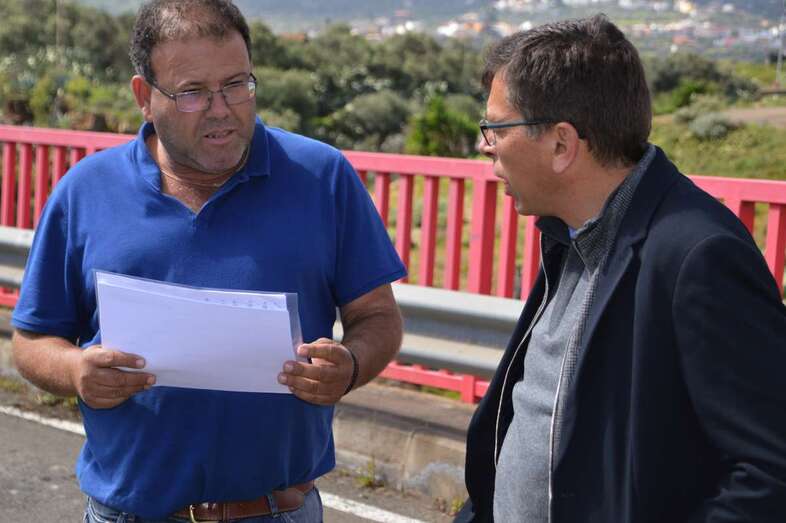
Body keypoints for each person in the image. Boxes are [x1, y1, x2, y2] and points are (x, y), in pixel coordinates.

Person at [10, 1, 405, 521]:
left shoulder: (322, 176)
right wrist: (75, 370)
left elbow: (378, 317)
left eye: (237, 85)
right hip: (127, 512)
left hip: (278, 512)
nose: (222, 109)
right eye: (193, 92)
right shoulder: (86, 190)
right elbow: (31, 341)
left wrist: (349, 366)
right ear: (144, 97)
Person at [456, 14, 786, 523]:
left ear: (562, 144)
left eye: (496, 127)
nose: (486, 145)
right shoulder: (571, 233)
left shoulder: (698, 255)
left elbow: (770, 471)